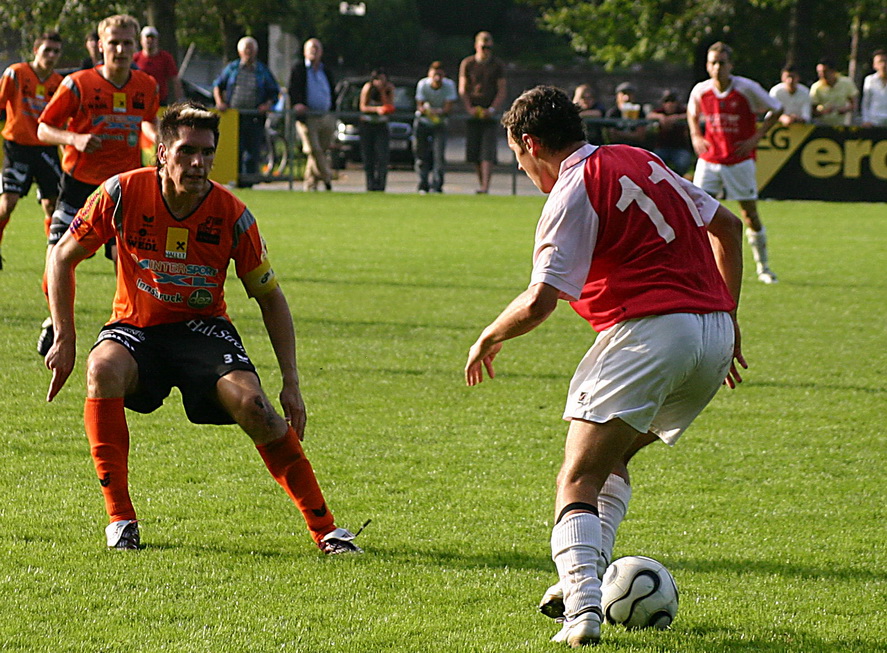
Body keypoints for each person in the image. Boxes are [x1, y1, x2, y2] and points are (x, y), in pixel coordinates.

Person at [464, 85, 745, 647]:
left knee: (577, 477)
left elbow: (540, 301)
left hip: (653, 332)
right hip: (712, 335)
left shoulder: (573, 187)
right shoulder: (640, 158)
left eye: (517, 156)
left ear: (530, 143)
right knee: (611, 459)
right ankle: (583, 577)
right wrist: (729, 317)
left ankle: (582, 612)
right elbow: (729, 227)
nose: (521, 168)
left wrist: (488, 335)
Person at [43, 101, 364, 555]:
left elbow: (271, 297)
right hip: (137, 328)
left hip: (203, 330)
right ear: (162, 153)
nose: (198, 163)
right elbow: (61, 257)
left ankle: (326, 530)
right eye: (187, 151)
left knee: (255, 406)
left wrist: (291, 381)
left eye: (207, 152)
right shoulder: (120, 193)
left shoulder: (232, 213)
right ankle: (121, 521)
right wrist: (65, 337)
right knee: (102, 370)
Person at [37, 14, 160, 354]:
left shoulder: (147, 85)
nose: (120, 49)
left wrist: (159, 140)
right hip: (79, 185)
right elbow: (43, 128)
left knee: (130, 261)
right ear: (100, 46)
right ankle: (56, 320)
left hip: (124, 187)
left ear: (136, 47)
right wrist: (73, 138)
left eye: (127, 43)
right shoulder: (77, 83)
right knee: (58, 256)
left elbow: (147, 122)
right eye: (114, 43)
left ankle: (131, 325)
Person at [688, 42, 783, 284]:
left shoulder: (746, 88)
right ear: (707, 66)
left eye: (722, 62)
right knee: (694, 214)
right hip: (709, 160)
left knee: (749, 213)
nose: (717, 67)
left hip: (739, 160)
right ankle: (697, 269)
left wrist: (756, 138)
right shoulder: (701, 90)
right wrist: (696, 135)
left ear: (730, 65)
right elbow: (692, 112)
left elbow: (776, 108)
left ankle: (763, 267)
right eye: (713, 63)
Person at [0, 31, 64, 270]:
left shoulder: (59, 83)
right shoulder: (16, 73)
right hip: (17, 148)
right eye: (47, 50)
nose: (51, 55)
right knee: (8, 203)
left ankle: (53, 258)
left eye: (56, 51)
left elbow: (63, 121)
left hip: (46, 149)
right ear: (36, 50)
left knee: (53, 205)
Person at [213, 36, 280, 187]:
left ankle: (249, 183)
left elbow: (274, 92)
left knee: (253, 150)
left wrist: (267, 105)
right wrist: (220, 102)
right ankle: (235, 181)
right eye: (246, 49)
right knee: (236, 149)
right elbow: (218, 85)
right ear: (240, 52)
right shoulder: (232, 68)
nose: (249, 52)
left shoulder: (262, 70)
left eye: (251, 49)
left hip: (255, 117)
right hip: (234, 116)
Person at [458, 31, 507, 194]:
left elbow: (501, 90)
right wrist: (469, 108)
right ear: (476, 46)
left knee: (487, 151)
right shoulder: (468, 63)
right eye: (483, 47)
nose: (486, 50)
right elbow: (463, 88)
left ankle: (485, 186)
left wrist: (492, 109)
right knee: (474, 152)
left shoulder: (497, 65)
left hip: (490, 112)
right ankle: (482, 184)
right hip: (473, 111)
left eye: (488, 47)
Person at [288, 38, 336, 192]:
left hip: (325, 116)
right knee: (313, 149)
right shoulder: (299, 69)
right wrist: (297, 104)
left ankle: (310, 185)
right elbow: (292, 89)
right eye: (311, 48)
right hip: (307, 117)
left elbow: (332, 91)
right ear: (304, 52)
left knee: (321, 150)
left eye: (317, 48)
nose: (314, 51)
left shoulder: (325, 70)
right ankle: (327, 177)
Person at [414, 61, 457, 194]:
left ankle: (437, 186)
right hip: (423, 122)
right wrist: (427, 111)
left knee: (439, 156)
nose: (437, 78)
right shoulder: (423, 84)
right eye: (435, 75)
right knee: (421, 154)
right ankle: (423, 185)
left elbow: (448, 107)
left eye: (440, 75)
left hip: (440, 123)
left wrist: (437, 112)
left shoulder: (449, 85)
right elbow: (420, 106)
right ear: (430, 74)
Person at [358, 69, 395, 192]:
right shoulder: (368, 88)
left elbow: (390, 106)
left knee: (382, 156)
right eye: (378, 80)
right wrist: (376, 109)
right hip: (367, 125)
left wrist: (383, 92)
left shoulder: (389, 89)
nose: (380, 82)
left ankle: (381, 186)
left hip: (381, 125)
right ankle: (370, 185)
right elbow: (363, 106)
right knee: (368, 156)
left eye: (383, 80)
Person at [646, 90, 693, 175]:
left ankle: (677, 178)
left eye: (673, 101)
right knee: (654, 163)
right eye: (667, 101)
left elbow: (691, 114)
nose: (670, 104)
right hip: (662, 147)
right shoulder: (660, 112)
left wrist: (676, 118)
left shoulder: (681, 111)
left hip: (679, 148)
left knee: (683, 162)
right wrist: (661, 117)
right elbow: (649, 115)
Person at [133, 25, 182, 106]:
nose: (150, 40)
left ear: (157, 40)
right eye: (147, 37)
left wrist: (178, 100)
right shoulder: (135, 58)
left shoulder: (166, 57)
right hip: (140, 100)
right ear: (141, 40)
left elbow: (174, 79)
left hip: (160, 101)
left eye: (153, 38)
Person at [809, 57, 859, 126]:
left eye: (824, 71)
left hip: (842, 124)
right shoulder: (816, 87)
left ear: (833, 71)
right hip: (822, 125)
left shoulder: (846, 83)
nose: (822, 75)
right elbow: (811, 110)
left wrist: (845, 109)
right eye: (819, 72)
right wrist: (824, 112)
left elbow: (854, 104)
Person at [861, 49, 887, 127]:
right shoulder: (869, 80)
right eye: (880, 62)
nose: (883, 65)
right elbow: (865, 103)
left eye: (885, 61)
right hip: (874, 122)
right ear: (874, 65)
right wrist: (866, 120)